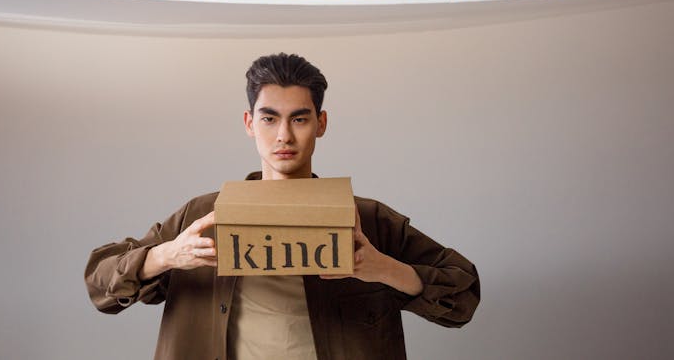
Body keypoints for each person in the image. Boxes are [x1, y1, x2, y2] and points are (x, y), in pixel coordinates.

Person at [85, 53, 480, 360]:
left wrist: (384, 268)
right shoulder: (205, 216)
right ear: (249, 123)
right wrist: (167, 255)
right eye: (269, 118)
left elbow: (463, 295)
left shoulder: (368, 220)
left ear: (321, 123)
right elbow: (100, 283)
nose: (284, 135)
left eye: (300, 119)